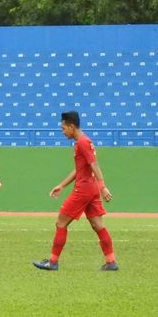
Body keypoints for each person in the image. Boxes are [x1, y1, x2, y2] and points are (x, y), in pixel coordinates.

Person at [33, 111, 118, 271]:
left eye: (63, 128)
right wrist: (62, 185)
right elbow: (80, 169)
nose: (62, 131)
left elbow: (94, 165)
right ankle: (111, 262)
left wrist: (103, 186)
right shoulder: (84, 141)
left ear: (72, 126)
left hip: (84, 189)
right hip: (90, 188)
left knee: (61, 222)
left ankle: (52, 262)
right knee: (98, 224)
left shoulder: (82, 143)